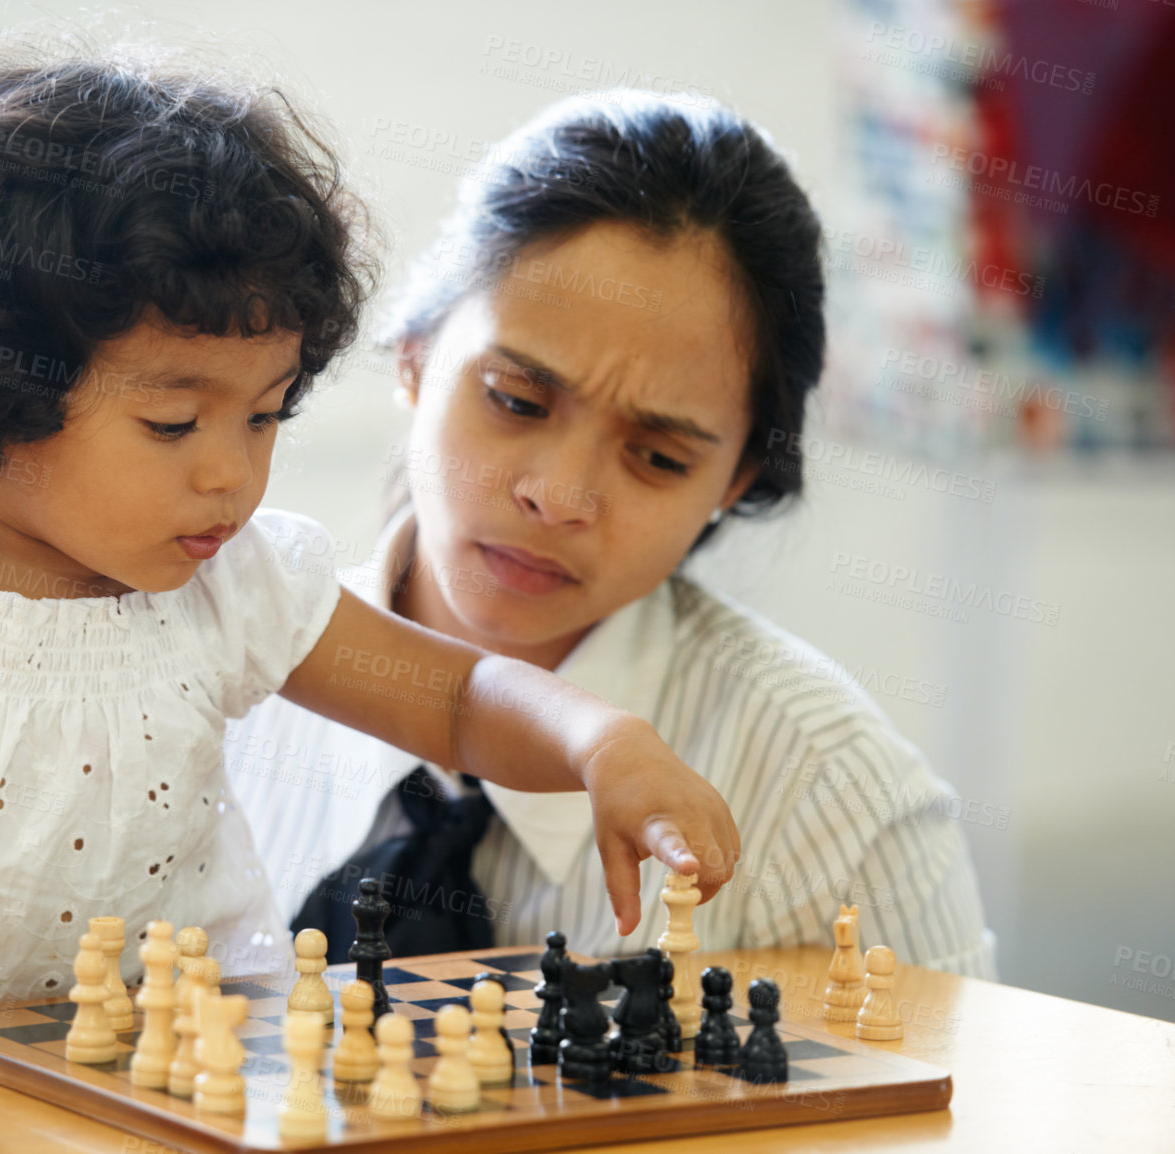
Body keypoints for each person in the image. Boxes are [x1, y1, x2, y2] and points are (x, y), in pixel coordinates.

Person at [0, 43, 738, 1054]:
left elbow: (458, 701)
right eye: (172, 422)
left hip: (153, 1078)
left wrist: (597, 738)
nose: (231, 469)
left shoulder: (237, 584)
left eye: (266, 413)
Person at [227, 90, 996, 977]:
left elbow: (959, 1106)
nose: (560, 497)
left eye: (659, 458)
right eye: (516, 401)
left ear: (736, 481)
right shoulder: (209, 677)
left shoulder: (831, 797)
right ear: (414, 355)